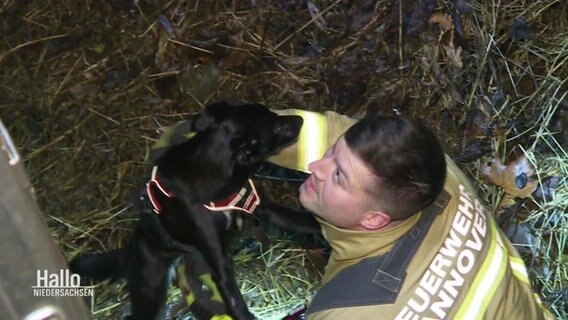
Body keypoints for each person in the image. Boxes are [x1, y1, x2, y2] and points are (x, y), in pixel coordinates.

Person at [152, 107, 554, 320]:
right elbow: (311, 131)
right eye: (333, 154)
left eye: (338, 176)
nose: (316, 167)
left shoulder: (351, 310)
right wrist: (203, 145)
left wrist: (212, 298)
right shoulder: (433, 174)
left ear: (375, 221)